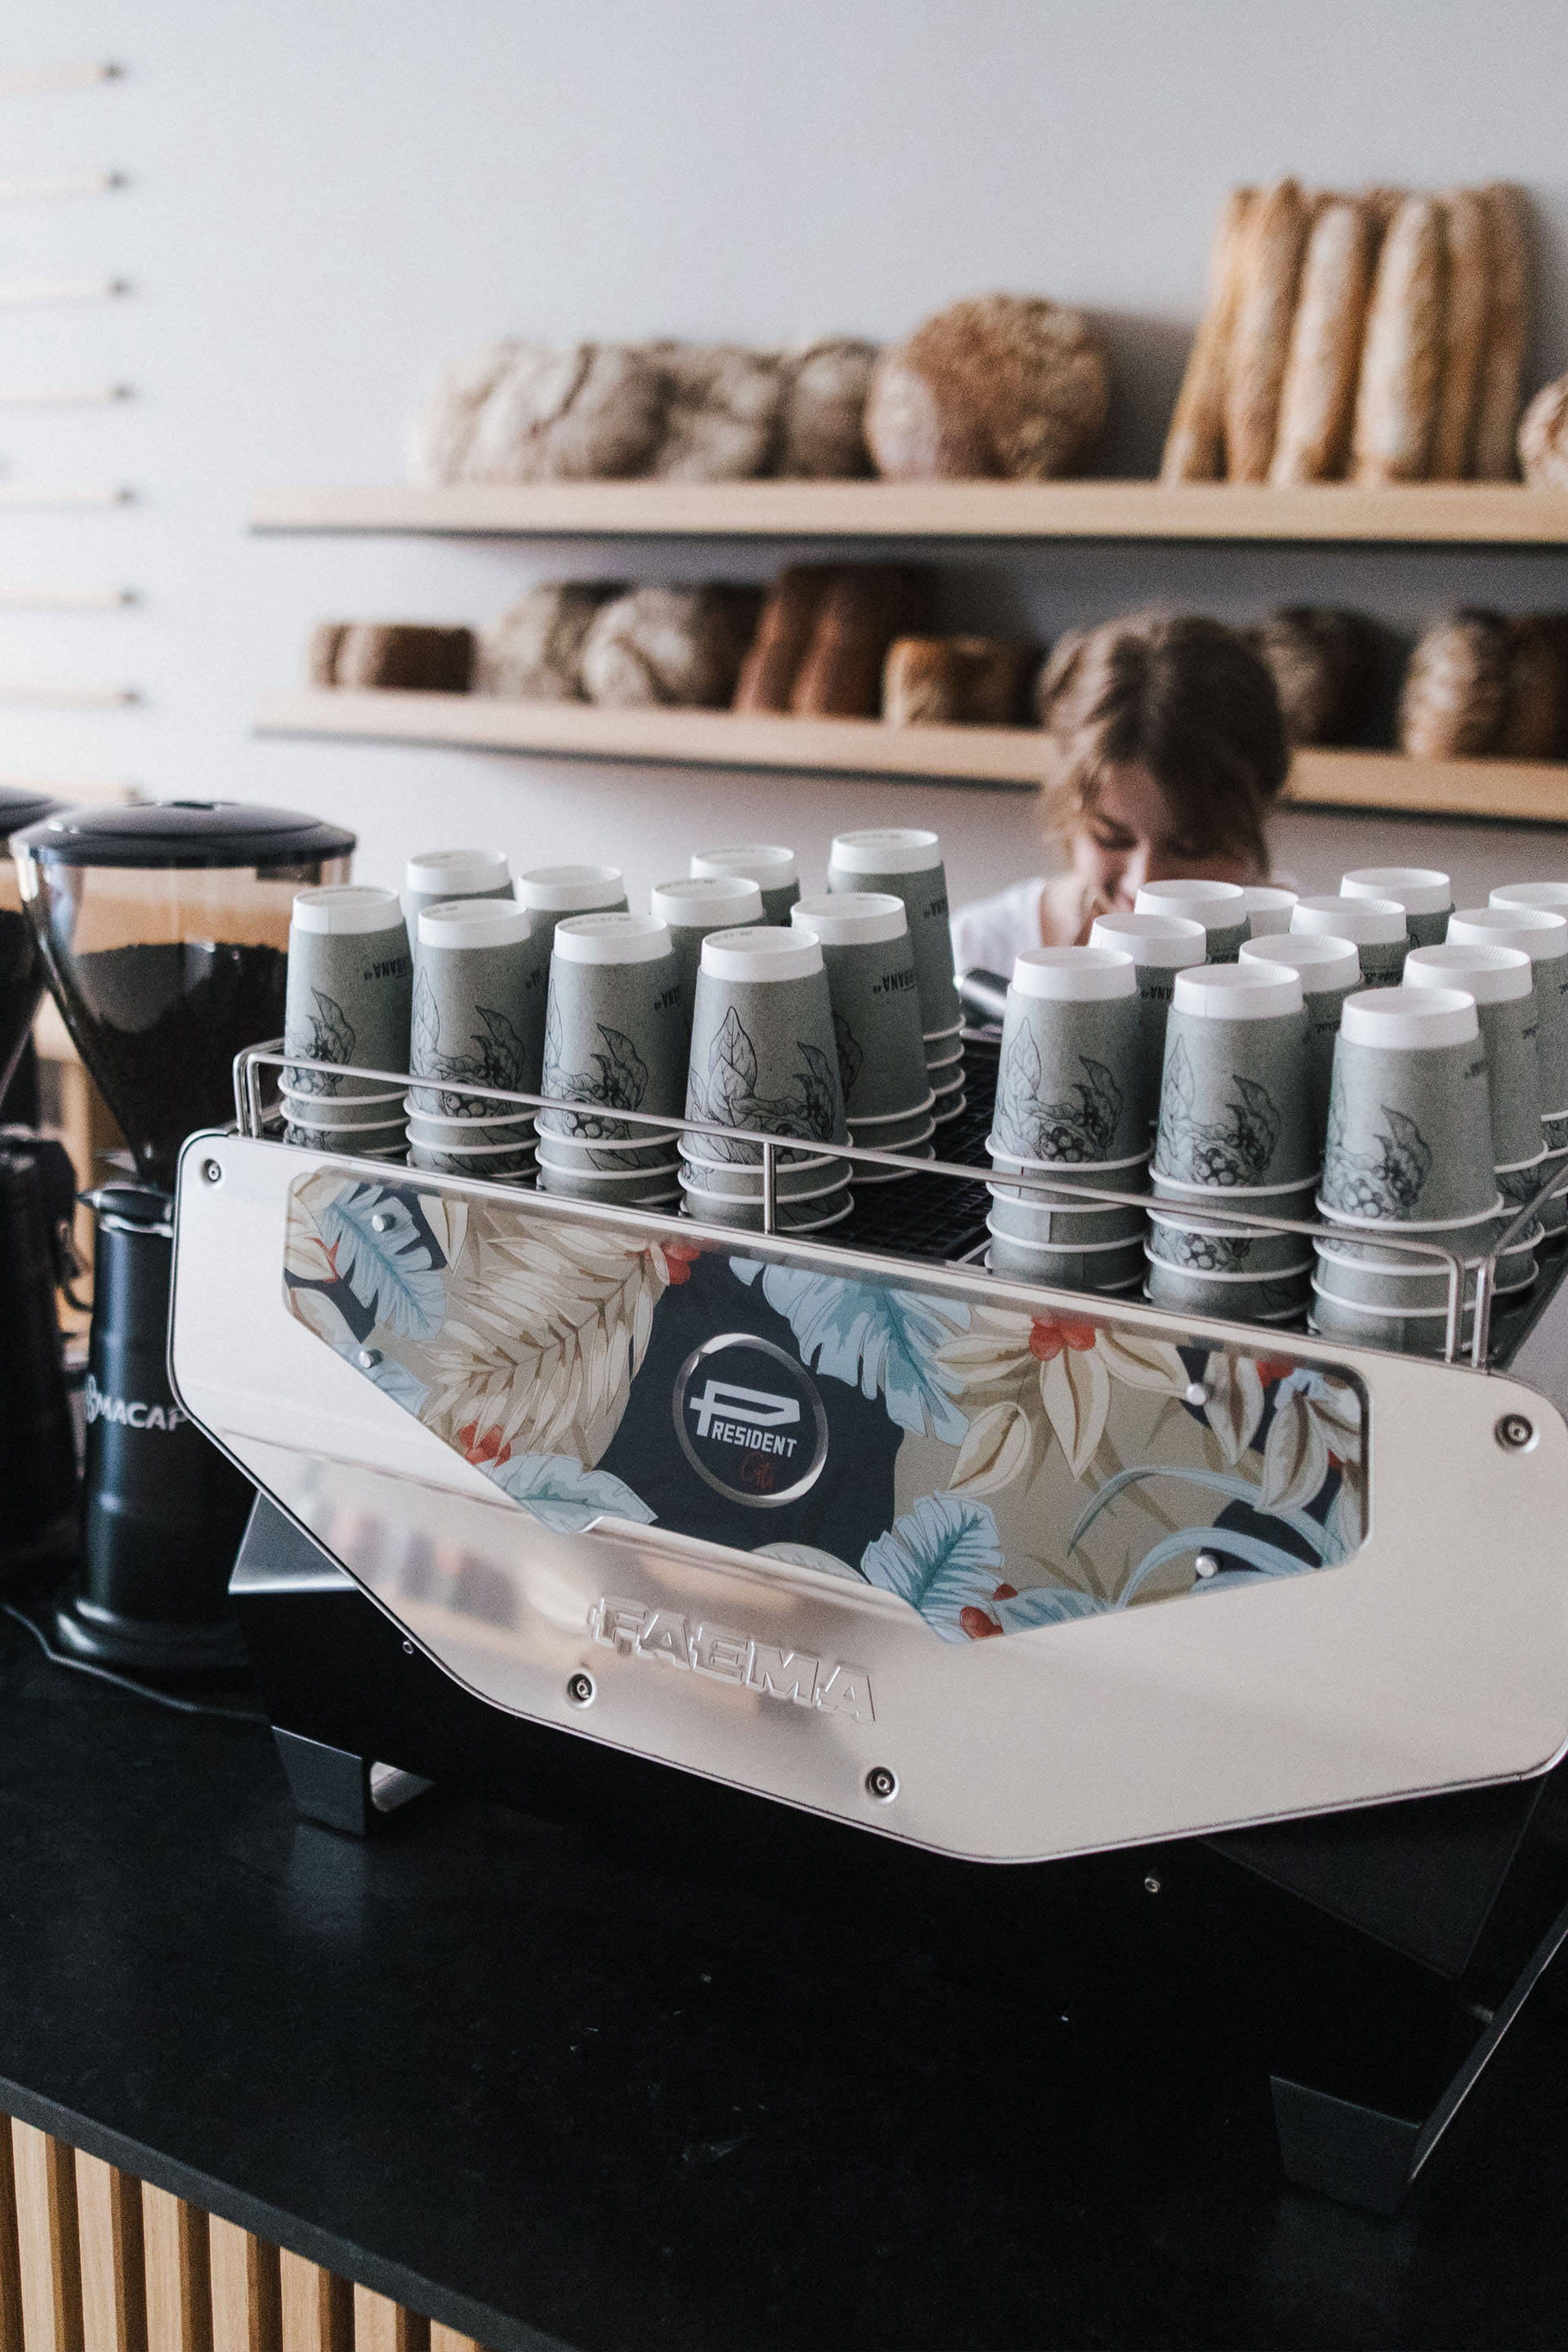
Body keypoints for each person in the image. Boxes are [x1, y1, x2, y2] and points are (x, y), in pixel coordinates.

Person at [951, 612, 1290, 974]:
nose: (1144, 882)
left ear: (1257, 814)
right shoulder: (975, 953)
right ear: (1071, 813)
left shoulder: (1306, 953)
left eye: (1192, 846)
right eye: (1111, 838)